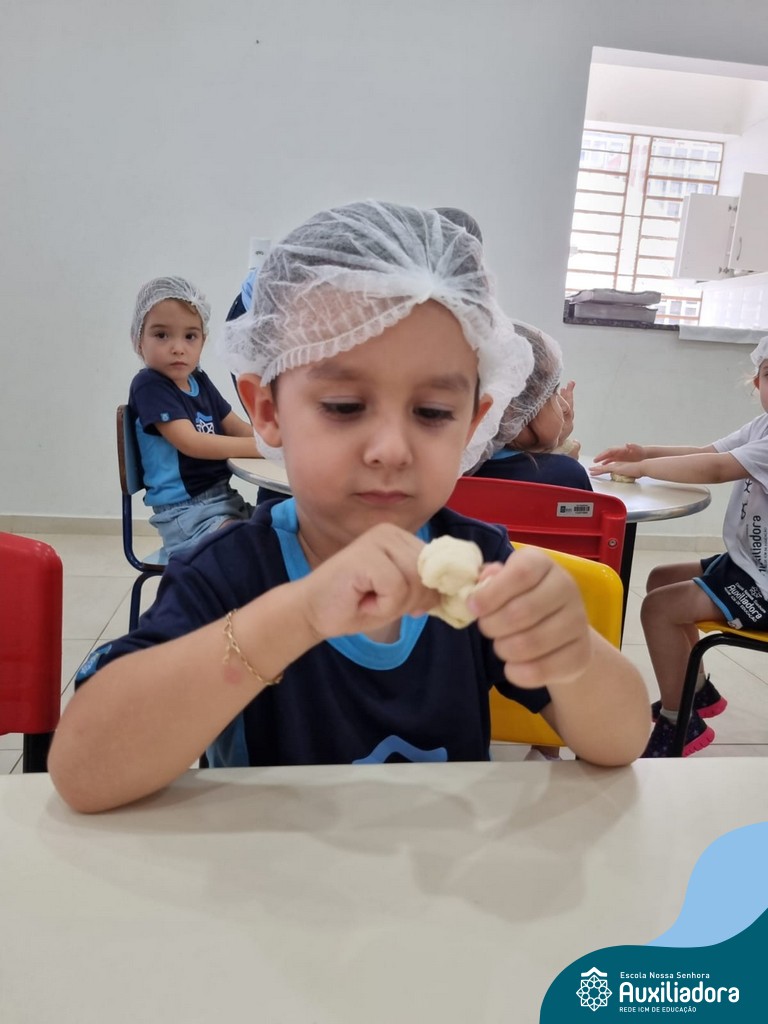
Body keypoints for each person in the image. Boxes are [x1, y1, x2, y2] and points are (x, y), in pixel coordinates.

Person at [49, 201, 649, 813]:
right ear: (267, 412)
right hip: (269, 868)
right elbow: (84, 771)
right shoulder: (228, 573)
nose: (390, 449)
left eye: (433, 412)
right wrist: (298, 616)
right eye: (343, 406)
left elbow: (623, 740)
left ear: (474, 423)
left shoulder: (480, 562)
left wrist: (571, 654)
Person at [589, 335, 768, 757]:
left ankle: (679, 721)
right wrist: (645, 452)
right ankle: (695, 691)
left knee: (659, 608)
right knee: (661, 578)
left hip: (763, 586)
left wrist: (643, 467)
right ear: (757, 381)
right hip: (749, 565)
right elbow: (706, 451)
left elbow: (716, 468)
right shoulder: (762, 426)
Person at [128, 276, 263, 562]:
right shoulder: (150, 385)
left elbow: (237, 427)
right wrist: (263, 447)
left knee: (284, 527)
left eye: (190, 336)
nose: (178, 347)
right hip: (185, 514)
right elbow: (192, 443)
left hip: (225, 500)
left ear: (203, 341)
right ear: (139, 340)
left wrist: (277, 438)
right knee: (247, 551)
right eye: (161, 335)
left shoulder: (199, 380)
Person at [469, 321, 592, 490]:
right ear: (513, 412)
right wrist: (562, 459)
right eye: (552, 393)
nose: (565, 407)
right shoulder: (566, 475)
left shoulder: (449, 474)